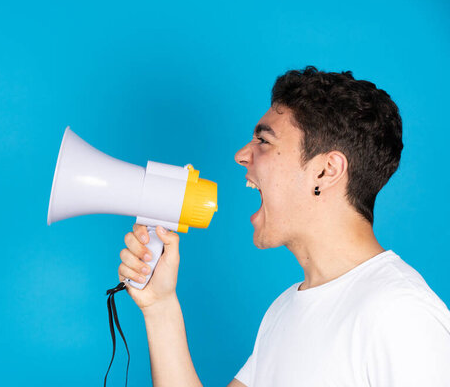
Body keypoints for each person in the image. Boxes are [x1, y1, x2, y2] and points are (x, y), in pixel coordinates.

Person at [116, 66, 450, 386]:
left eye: (264, 141)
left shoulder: (402, 315)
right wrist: (160, 307)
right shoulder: (285, 310)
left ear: (326, 171)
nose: (241, 155)